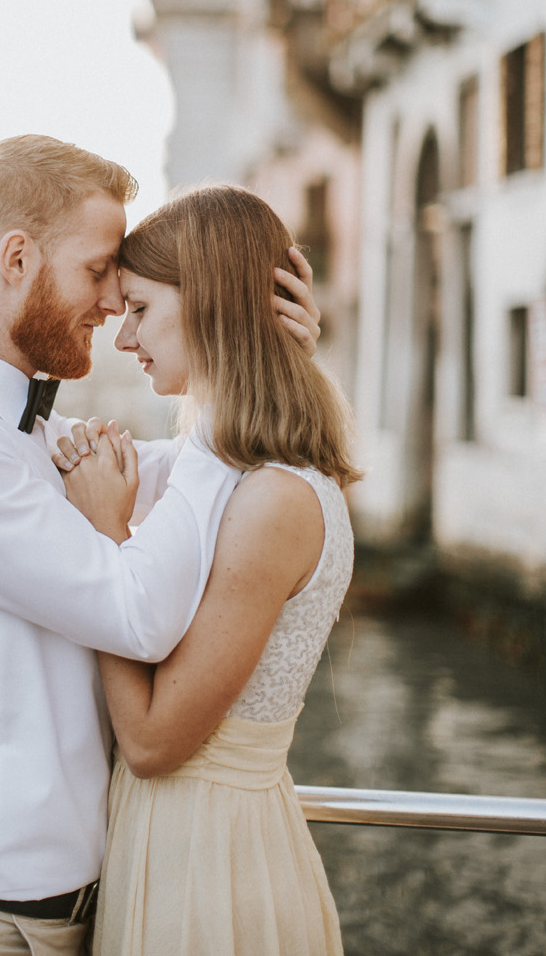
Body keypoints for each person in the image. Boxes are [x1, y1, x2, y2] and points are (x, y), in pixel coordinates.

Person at [0, 136, 321, 956]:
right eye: (99, 270)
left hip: (67, 916)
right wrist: (231, 383)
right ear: (17, 258)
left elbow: (196, 473)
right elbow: (136, 613)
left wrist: (264, 360)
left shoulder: (32, 431)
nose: (112, 305)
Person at [53, 184, 359, 956]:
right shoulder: (236, 471)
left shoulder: (273, 500)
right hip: (182, 840)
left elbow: (155, 744)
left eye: (140, 308)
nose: (123, 338)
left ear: (212, 304)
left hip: (207, 866)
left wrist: (106, 538)